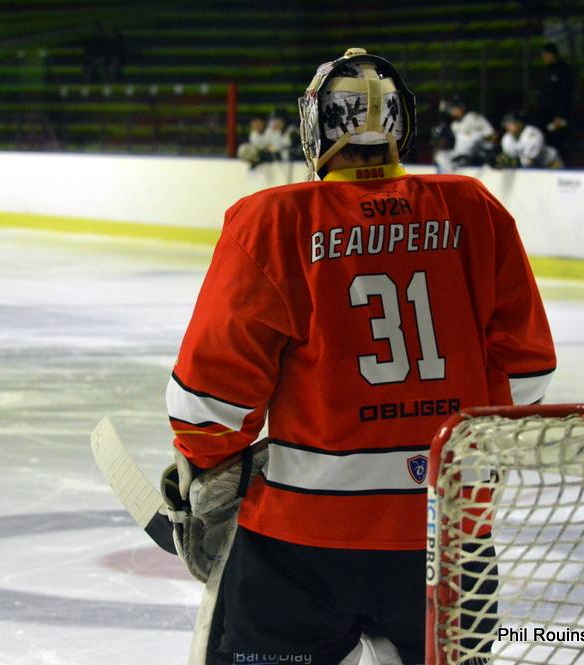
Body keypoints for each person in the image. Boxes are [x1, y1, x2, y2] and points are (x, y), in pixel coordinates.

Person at [167, 47, 556, 665]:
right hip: (449, 536)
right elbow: (527, 373)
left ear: (315, 126)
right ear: (402, 122)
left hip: (302, 549)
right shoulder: (474, 208)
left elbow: (209, 405)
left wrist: (214, 471)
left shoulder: (272, 220)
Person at [434, 94, 496, 171]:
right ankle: (452, 174)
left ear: (461, 107)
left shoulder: (473, 117)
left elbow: (493, 135)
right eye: (450, 109)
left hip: (479, 152)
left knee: (471, 137)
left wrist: (476, 139)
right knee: (440, 156)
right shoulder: (454, 125)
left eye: (453, 108)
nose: (450, 111)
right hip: (461, 154)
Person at [538, 42, 573, 162]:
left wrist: (561, 115)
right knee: (548, 142)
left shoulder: (562, 70)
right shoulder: (548, 70)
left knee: (560, 143)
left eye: (545, 55)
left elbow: (565, 94)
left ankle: (564, 166)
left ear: (552, 54)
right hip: (546, 114)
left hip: (558, 116)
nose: (544, 58)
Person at [498, 111, 563, 168]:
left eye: (511, 123)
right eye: (506, 124)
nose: (508, 126)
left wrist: (511, 161)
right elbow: (510, 156)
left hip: (550, 163)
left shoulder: (532, 133)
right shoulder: (506, 139)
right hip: (533, 167)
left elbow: (530, 161)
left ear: (520, 123)